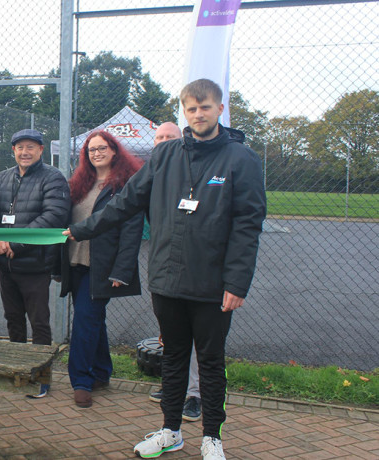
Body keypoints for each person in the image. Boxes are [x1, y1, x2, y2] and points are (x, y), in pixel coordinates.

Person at [64, 79, 266, 460]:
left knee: (210, 362)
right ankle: (170, 431)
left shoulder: (242, 159)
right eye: (191, 108)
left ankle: (212, 438)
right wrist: (79, 229)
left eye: (205, 107)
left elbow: (247, 225)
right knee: (173, 358)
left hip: (213, 284)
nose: (198, 114)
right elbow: (124, 203)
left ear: (220, 109)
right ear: (184, 112)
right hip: (167, 279)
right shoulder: (165, 155)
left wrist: (237, 282)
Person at [59, 130, 144, 408]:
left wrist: (122, 270)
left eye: (102, 148)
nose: (96, 153)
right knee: (94, 319)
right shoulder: (80, 183)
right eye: (91, 150)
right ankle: (102, 372)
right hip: (76, 263)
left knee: (84, 319)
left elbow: (131, 232)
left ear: (114, 150)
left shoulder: (125, 185)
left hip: (101, 267)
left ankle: (81, 381)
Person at [0, 128, 71, 398]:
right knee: (13, 319)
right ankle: (18, 369)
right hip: (5, 265)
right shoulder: (0, 179)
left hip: (35, 265)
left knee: (39, 321)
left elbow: (54, 216)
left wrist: (16, 244)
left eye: (31, 147)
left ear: (41, 150)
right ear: (13, 150)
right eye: (20, 147)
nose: (25, 152)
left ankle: (40, 375)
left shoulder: (53, 178)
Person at [148, 121, 203, 422]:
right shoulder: (156, 171)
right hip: (164, 267)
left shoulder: (189, 169)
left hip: (196, 270)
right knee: (171, 336)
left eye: (170, 136)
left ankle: (194, 394)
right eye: (159, 137)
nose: (165, 141)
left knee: (196, 338)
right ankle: (174, 388)